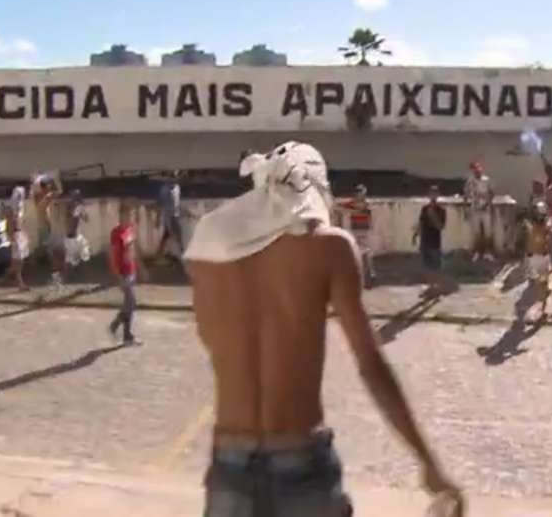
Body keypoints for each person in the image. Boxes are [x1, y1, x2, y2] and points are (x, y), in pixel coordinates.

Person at [184, 142, 462, 517]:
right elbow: (370, 363)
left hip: (230, 463)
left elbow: (212, 339)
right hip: (299, 459)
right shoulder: (330, 248)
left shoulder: (210, 248)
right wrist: (428, 462)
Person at [108, 202, 146, 345]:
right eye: (127, 215)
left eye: (131, 215)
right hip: (123, 273)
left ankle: (122, 332)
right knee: (131, 303)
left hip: (131, 271)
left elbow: (133, 250)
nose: (130, 218)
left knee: (128, 304)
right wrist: (117, 275)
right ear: (121, 215)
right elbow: (112, 255)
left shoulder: (130, 229)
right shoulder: (116, 233)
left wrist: (141, 268)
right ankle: (122, 331)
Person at [338, 184, 376, 288]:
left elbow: (366, 214)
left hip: (364, 230)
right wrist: (352, 211)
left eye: (362, 192)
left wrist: (352, 211)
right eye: (359, 192)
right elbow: (339, 208)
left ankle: (370, 274)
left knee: (367, 253)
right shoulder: (352, 203)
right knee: (356, 252)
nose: (360, 194)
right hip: (355, 229)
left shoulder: (366, 204)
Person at [413, 185, 447, 297]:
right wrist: (415, 235)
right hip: (425, 240)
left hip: (435, 241)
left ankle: (436, 287)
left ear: (438, 195)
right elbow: (421, 223)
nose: (433, 195)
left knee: (436, 266)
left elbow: (441, 226)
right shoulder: (424, 208)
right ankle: (430, 286)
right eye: (431, 193)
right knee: (426, 266)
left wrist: (432, 215)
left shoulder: (441, 210)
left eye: (435, 193)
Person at [523, 202, 552, 314]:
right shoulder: (534, 225)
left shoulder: (541, 226)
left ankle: (542, 301)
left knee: (541, 281)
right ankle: (542, 301)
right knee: (540, 281)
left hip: (540, 256)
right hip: (538, 256)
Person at [464, 161, 495, 263]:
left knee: (487, 232)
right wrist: (466, 207)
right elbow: (466, 194)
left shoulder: (487, 180)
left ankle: (488, 252)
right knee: (476, 232)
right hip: (475, 209)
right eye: (474, 169)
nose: (477, 170)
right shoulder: (470, 181)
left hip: (485, 209)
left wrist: (487, 203)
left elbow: (491, 193)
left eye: (478, 168)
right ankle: (477, 252)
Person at [4, 186, 30, 291]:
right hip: (15, 235)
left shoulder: (20, 207)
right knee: (18, 260)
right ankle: (20, 284)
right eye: (18, 196)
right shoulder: (11, 209)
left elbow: (20, 221)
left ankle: (8, 274)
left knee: (19, 260)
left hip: (20, 234)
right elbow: (9, 223)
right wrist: (12, 238)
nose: (20, 198)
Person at [63, 190, 91, 280]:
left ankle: (80, 274)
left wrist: (82, 210)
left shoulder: (77, 208)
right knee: (69, 259)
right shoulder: (69, 209)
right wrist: (78, 210)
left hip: (78, 236)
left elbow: (87, 219)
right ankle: (67, 276)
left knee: (84, 253)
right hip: (70, 238)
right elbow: (70, 222)